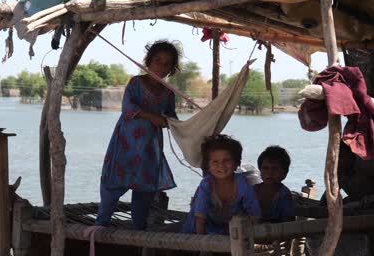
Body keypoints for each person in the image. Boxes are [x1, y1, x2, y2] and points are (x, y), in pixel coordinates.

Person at [95, 40, 181, 230]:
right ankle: (101, 224)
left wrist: (177, 124)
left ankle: (139, 230)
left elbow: (171, 118)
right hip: (126, 145)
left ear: (171, 68)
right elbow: (128, 109)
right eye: (158, 61)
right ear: (149, 61)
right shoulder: (136, 82)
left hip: (150, 150)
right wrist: (152, 117)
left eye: (167, 63)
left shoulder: (168, 93)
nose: (161, 66)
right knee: (113, 185)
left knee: (144, 191)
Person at [182, 134, 261, 234]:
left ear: (236, 163)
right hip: (202, 227)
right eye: (215, 162)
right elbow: (200, 216)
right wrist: (201, 244)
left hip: (230, 228)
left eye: (227, 160)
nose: (221, 166)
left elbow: (254, 212)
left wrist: (256, 236)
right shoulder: (207, 184)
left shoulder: (242, 183)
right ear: (208, 165)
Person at [254, 146, 295, 223]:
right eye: (265, 168)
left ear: (284, 173)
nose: (270, 173)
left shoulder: (284, 195)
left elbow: (288, 223)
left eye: (275, 169)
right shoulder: (252, 191)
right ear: (260, 170)